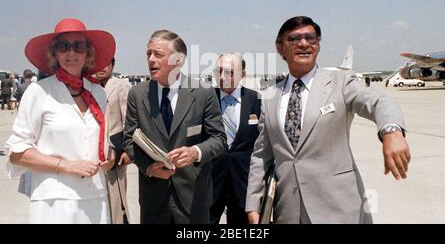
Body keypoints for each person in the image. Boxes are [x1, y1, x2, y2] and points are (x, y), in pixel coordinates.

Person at [246, 16, 411, 224]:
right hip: (287, 211)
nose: (304, 43)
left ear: (318, 45)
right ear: (280, 48)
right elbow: (262, 155)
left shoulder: (341, 82)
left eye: (311, 38)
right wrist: (253, 201)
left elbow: (378, 101)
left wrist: (391, 130)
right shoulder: (270, 95)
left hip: (339, 209)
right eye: (294, 38)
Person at [4, 18, 116, 224]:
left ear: (88, 53)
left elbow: (101, 140)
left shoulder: (98, 92)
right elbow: (17, 153)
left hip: (94, 198)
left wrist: (110, 154)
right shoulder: (39, 92)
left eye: (78, 46)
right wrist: (66, 166)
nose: (71, 52)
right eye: (63, 46)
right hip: (54, 202)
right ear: (54, 53)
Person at [123, 29, 226, 224]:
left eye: (158, 54)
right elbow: (129, 141)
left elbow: (219, 139)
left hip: (193, 199)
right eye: (148, 54)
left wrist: (195, 152)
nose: (151, 59)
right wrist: (149, 168)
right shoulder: (137, 94)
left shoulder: (203, 93)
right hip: (153, 200)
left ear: (178, 60)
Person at [210, 52, 261, 224]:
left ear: (243, 74)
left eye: (230, 72)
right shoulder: (205, 99)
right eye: (219, 71)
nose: (222, 77)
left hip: (244, 184)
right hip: (211, 182)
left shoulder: (256, 100)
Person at [95, 57, 132, 224]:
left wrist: (126, 150)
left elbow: (128, 120)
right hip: (95, 153)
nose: (101, 68)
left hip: (116, 152)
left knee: (116, 199)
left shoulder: (120, 85)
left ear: (112, 65)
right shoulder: (88, 86)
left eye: (106, 64)